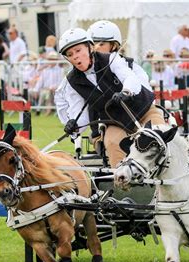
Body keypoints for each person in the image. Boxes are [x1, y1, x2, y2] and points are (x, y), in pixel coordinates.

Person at [55, 28, 165, 167]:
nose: (75, 56)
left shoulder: (111, 58)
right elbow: (80, 113)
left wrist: (126, 92)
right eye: (70, 54)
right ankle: (124, 183)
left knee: (157, 133)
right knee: (113, 143)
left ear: (90, 48)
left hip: (143, 110)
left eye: (78, 50)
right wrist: (74, 126)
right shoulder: (72, 81)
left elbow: (129, 77)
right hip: (115, 121)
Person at [87, 20, 151, 90]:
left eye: (101, 44)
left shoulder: (132, 67)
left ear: (114, 46)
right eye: (91, 44)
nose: (95, 48)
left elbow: (146, 95)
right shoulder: (84, 70)